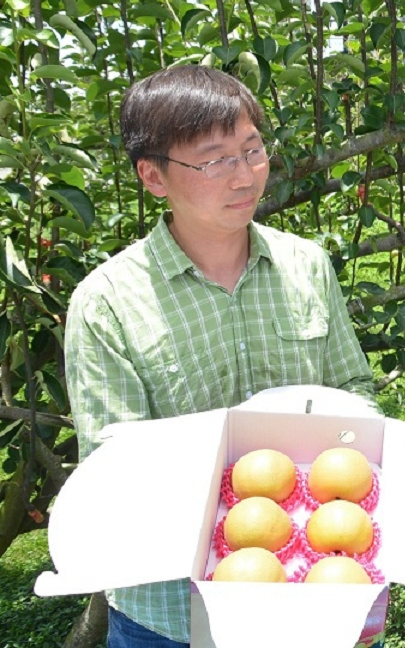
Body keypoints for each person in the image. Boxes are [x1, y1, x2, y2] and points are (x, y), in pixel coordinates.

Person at [64, 65, 378, 647]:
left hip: (319, 593)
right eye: (214, 160)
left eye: (252, 150)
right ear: (153, 176)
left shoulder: (306, 265)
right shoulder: (107, 302)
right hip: (170, 614)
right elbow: (115, 463)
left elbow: (354, 387)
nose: (245, 176)